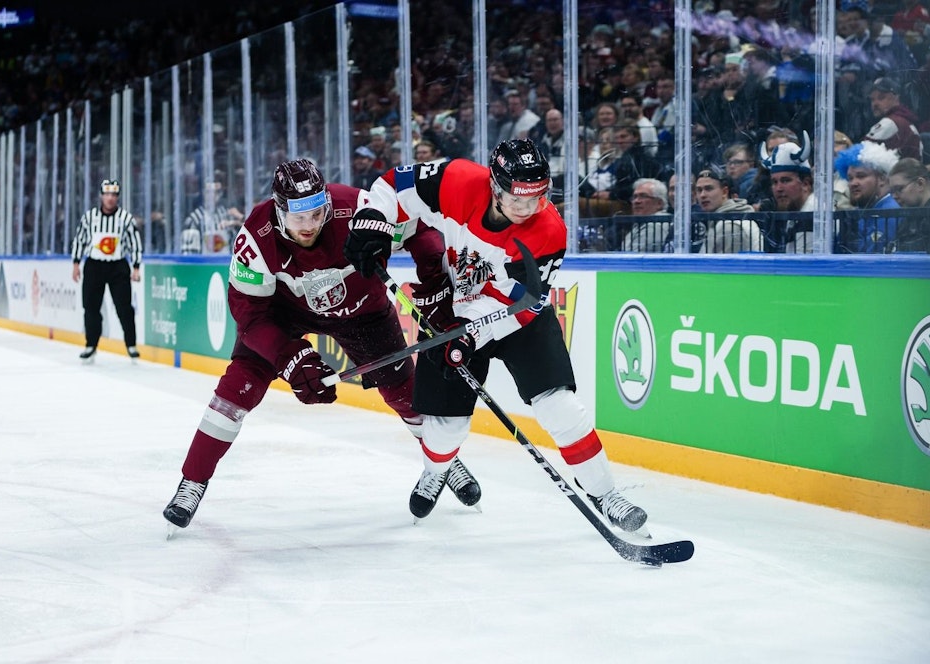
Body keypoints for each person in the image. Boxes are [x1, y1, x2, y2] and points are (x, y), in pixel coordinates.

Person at [342, 138, 648, 532]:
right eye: (517, 200)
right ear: (495, 186)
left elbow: (519, 304)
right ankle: (437, 469)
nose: (527, 210)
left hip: (515, 316)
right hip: (453, 310)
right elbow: (391, 186)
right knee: (445, 427)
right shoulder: (457, 180)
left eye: (536, 199)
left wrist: (470, 334)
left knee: (560, 405)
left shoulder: (548, 231)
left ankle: (604, 493)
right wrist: (374, 223)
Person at [162, 159, 481, 531]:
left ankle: (442, 459)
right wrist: (290, 357)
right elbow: (249, 315)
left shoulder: (357, 208)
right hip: (282, 313)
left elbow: (420, 230)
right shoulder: (257, 237)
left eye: (317, 214)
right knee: (236, 389)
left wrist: (433, 283)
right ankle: (193, 482)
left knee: (403, 392)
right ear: (280, 212)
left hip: (362, 310)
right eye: (299, 219)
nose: (310, 225)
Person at [70, 179, 143, 363]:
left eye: (114, 195)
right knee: (91, 307)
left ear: (117, 197)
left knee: (124, 307)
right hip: (94, 265)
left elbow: (134, 243)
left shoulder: (125, 218)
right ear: (101, 196)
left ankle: (131, 344)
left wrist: (135, 267)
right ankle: (91, 345)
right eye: (107, 194)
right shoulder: (90, 217)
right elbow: (80, 240)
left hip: (117, 266)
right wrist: (76, 263)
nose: (110, 198)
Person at [835, 140, 901, 253]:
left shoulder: (890, 213)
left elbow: (868, 261)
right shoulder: (861, 211)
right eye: (850, 178)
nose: (853, 183)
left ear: (882, 179)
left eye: (861, 176)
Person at [694, 168, 761, 254]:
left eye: (709, 189)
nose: (702, 195)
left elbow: (729, 266)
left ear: (725, 192)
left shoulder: (729, 227)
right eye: (699, 190)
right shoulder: (720, 220)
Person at [862, 77, 923, 159]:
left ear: (896, 98)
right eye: (872, 99)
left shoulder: (891, 122)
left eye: (881, 98)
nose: (875, 104)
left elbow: (861, 152)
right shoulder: (904, 120)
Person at [180, 180, 245, 255]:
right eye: (209, 192)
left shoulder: (227, 214)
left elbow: (252, 229)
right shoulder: (195, 219)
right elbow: (188, 254)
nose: (212, 195)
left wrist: (237, 220)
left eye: (216, 192)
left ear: (221, 194)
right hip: (204, 264)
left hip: (227, 262)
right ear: (203, 193)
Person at [620, 178, 671, 253]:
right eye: (634, 197)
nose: (636, 201)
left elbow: (632, 259)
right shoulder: (642, 223)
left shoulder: (656, 225)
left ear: (659, 203)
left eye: (643, 196)